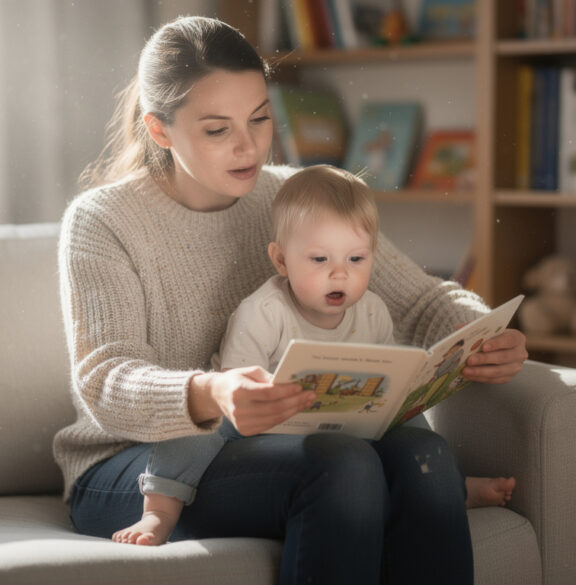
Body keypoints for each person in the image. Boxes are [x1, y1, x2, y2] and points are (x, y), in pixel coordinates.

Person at [56, 15, 527, 585]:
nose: (248, 146)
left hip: (273, 443)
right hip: (134, 464)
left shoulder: (287, 193)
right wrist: (211, 393)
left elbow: (423, 300)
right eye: (216, 129)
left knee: (425, 460)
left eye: (259, 119)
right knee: (343, 466)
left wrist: (482, 333)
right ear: (160, 131)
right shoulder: (103, 221)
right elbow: (104, 379)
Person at [111, 164, 516, 547]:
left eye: (356, 259)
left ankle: (450, 487)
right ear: (282, 260)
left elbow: (391, 378)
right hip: (256, 433)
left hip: (343, 426)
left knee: (409, 420)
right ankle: (160, 510)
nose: (340, 273)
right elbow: (235, 393)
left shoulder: (371, 309)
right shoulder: (263, 312)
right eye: (320, 260)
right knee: (194, 430)